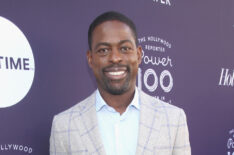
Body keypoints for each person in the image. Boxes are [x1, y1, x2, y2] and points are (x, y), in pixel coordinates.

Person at [50, 11, 191, 155]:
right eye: (104, 50)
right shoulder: (64, 126)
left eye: (124, 48)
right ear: (90, 58)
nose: (115, 58)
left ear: (138, 55)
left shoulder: (173, 119)